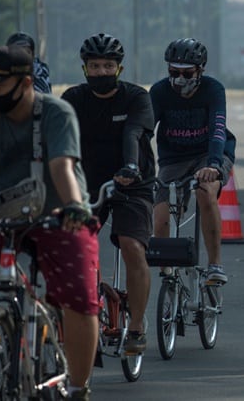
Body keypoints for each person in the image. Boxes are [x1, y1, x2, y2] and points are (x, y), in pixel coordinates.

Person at [0, 44, 99, 400]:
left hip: (61, 214)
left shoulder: (56, 113)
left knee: (78, 296)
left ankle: (76, 387)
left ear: (25, 83)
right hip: (3, 210)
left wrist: (74, 205)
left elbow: (61, 167)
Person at [61, 33, 155, 355]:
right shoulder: (73, 98)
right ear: (85, 68)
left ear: (120, 67)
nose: (101, 72)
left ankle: (138, 327)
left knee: (131, 245)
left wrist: (130, 166)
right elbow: (60, 140)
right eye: (95, 66)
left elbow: (133, 131)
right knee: (76, 245)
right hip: (88, 184)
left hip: (134, 181)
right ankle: (87, 306)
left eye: (108, 66)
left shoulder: (136, 97)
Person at [149, 38, 235, 285]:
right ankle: (167, 273)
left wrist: (214, 165)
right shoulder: (159, 92)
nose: (179, 79)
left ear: (201, 70)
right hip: (173, 158)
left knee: (205, 192)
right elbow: (143, 132)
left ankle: (215, 264)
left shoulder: (213, 89)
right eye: (173, 72)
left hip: (209, 155)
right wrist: (136, 165)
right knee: (160, 213)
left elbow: (218, 129)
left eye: (187, 73)